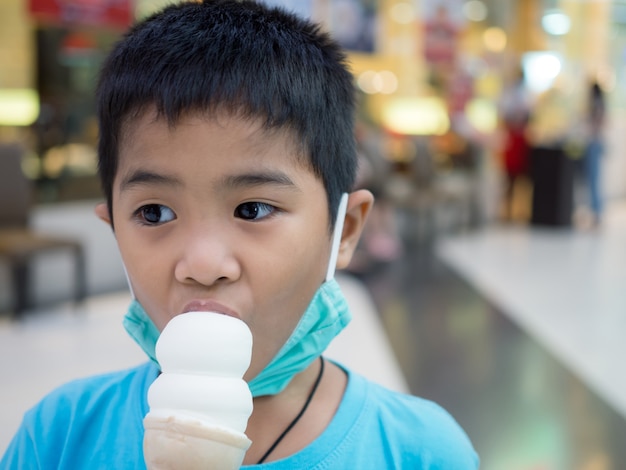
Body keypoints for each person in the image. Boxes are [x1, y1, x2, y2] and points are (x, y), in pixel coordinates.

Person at [1, 1, 479, 468]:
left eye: (252, 209)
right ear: (115, 233)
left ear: (345, 231)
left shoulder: (424, 452)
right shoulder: (58, 437)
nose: (204, 265)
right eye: (154, 213)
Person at [583, 81, 607, 227]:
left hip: (594, 144)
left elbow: (598, 124)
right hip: (595, 143)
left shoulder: (596, 104)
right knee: (593, 180)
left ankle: (596, 214)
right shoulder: (599, 104)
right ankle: (594, 213)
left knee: (593, 180)